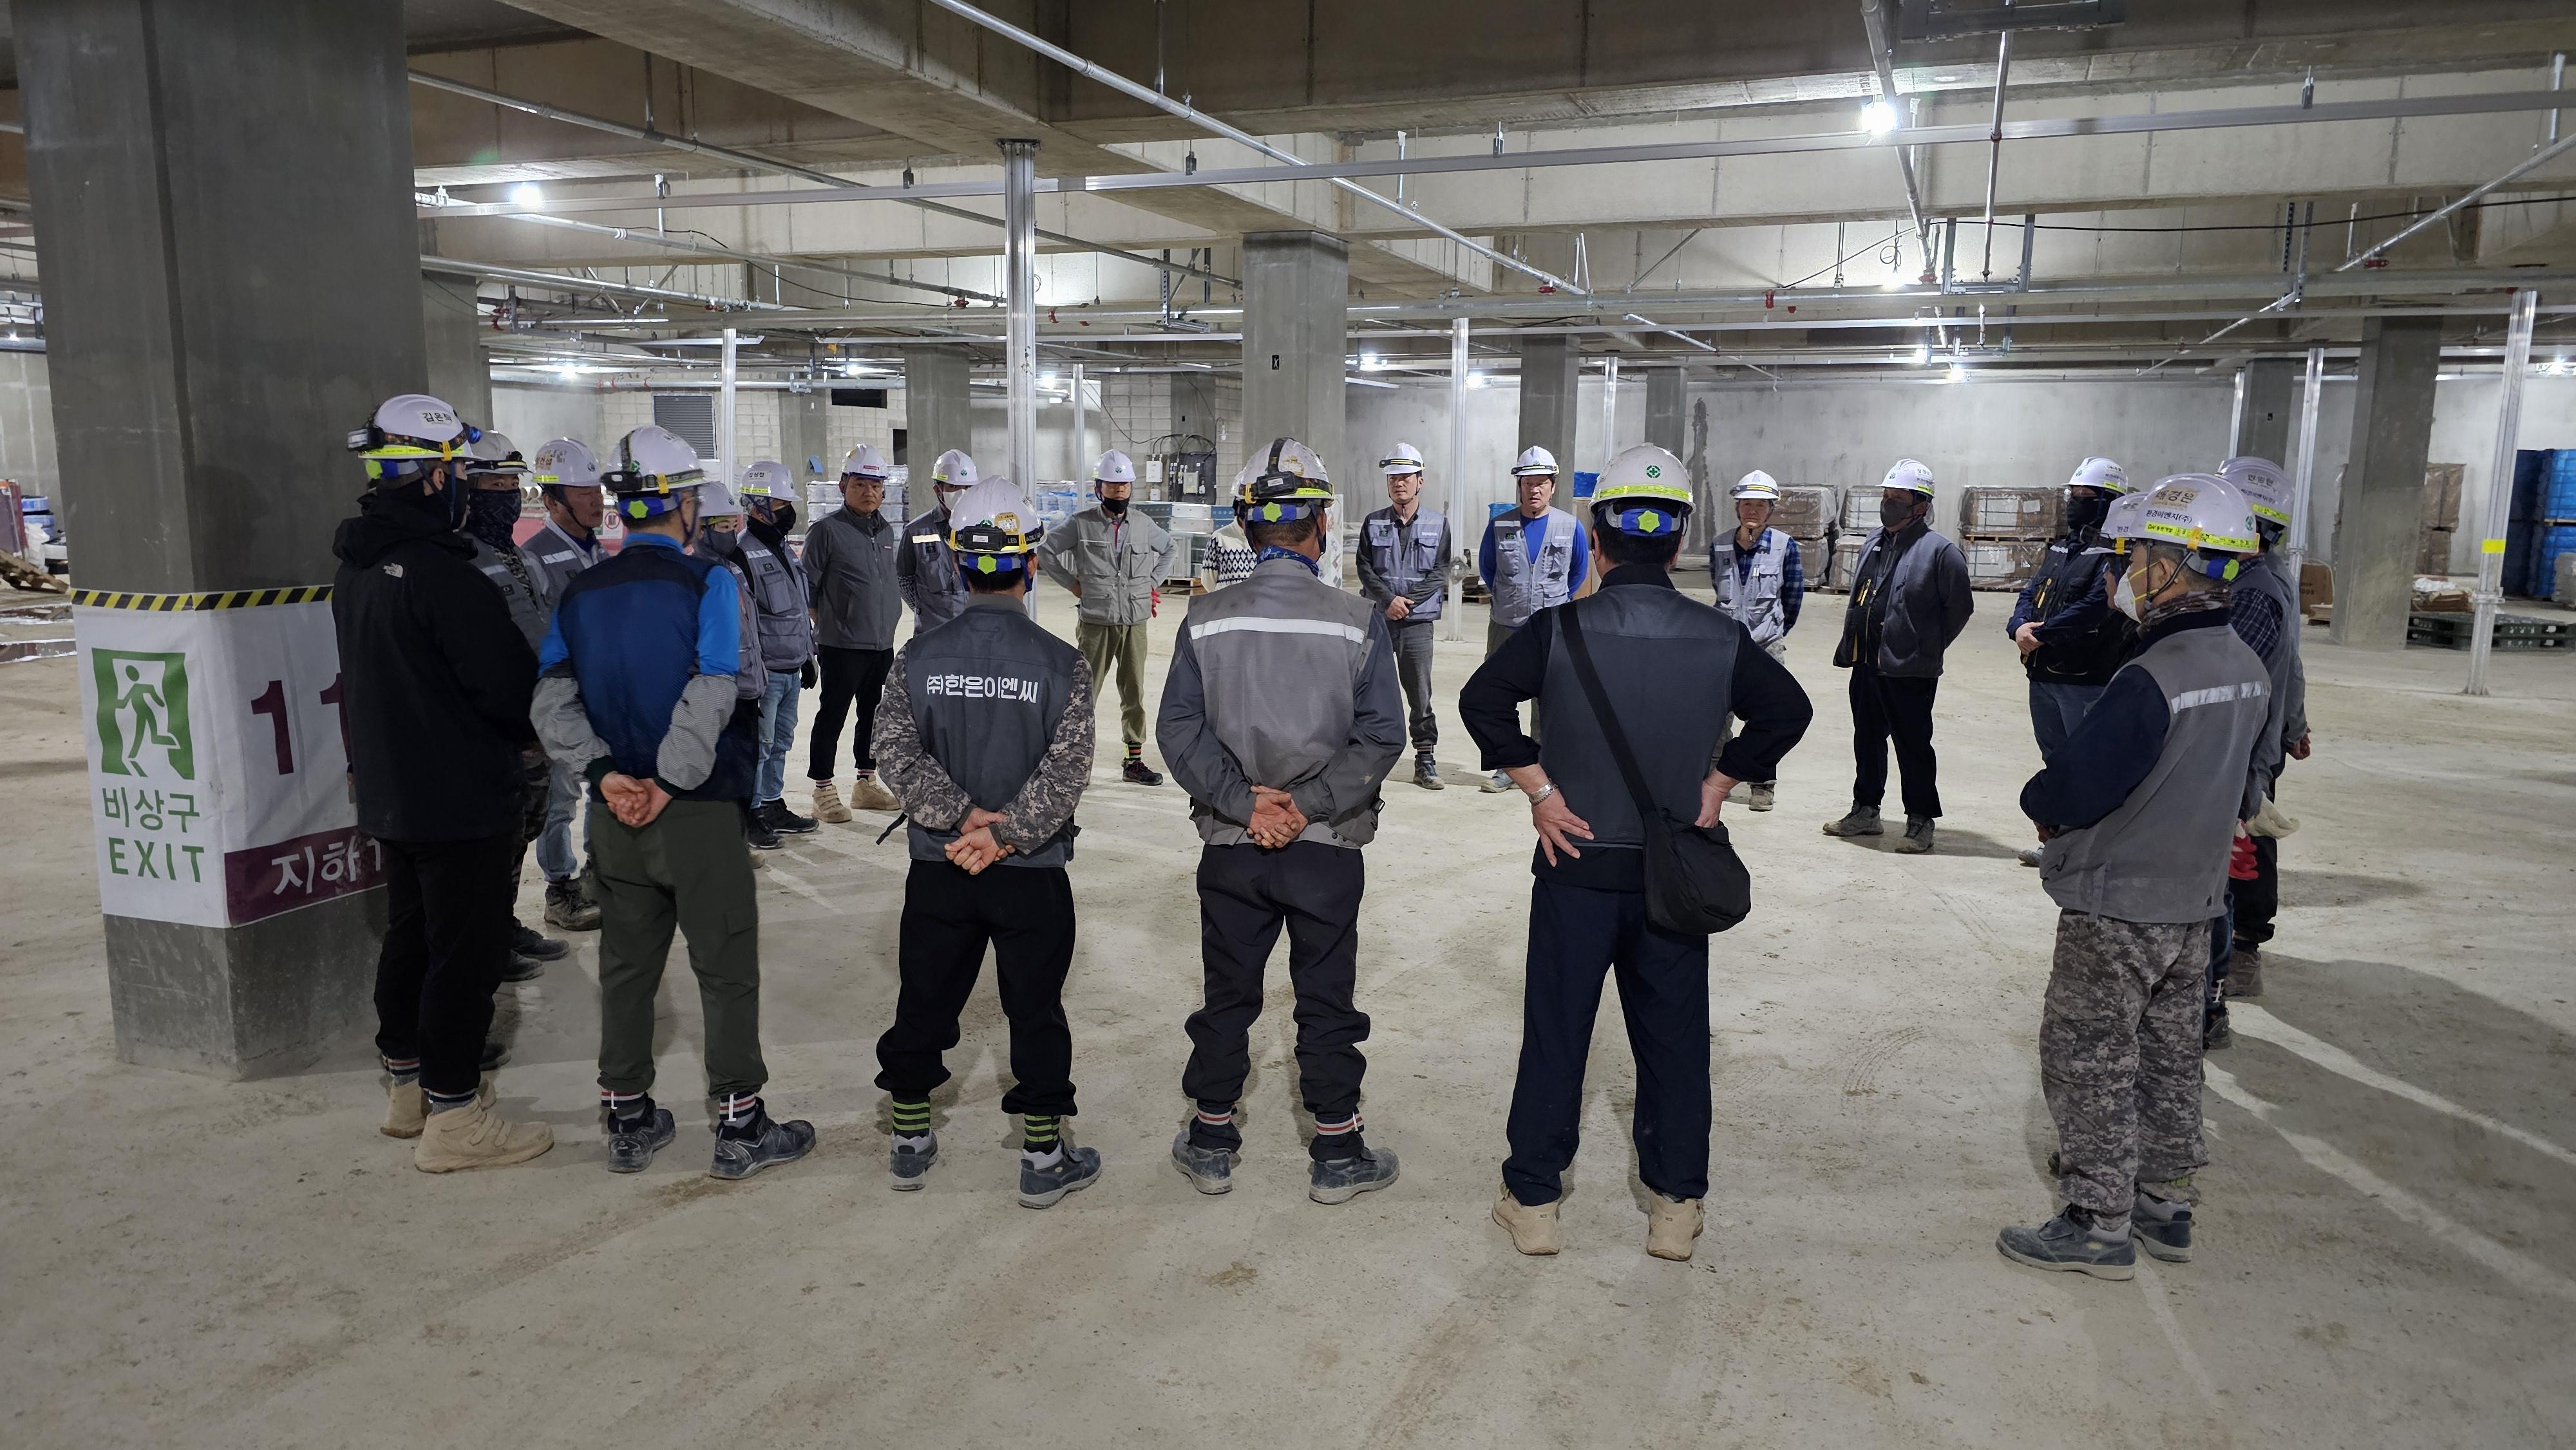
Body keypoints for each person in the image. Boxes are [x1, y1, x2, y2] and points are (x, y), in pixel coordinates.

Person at [1463, 444, 1813, 1261]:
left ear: (1597, 537)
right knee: (1674, 1039)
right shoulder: (1720, 636)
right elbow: (1786, 712)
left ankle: (1535, 1202)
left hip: (1575, 867)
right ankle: (1674, 1208)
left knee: (1557, 1034)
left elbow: (1482, 701)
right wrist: (1720, 780)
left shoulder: (1557, 629)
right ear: (1680, 539)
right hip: (1673, 876)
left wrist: (1540, 790)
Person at [2000, 474, 2275, 1280]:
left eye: (2139, 555)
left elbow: (2077, 785)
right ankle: (2164, 1202)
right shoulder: (2244, 667)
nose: (2125, 571)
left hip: (2120, 902)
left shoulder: (2154, 675)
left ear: (2173, 564)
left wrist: (2040, 803)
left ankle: (2095, 1220)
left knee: (2087, 1053)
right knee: (2168, 1054)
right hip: (2193, 901)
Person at [533, 425, 815, 1180]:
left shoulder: (582, 590)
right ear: (684, 504)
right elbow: (717, 684)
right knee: (724, 962)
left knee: (627, 964)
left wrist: (605, 775)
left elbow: (553, 695)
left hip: (613, 814)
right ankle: (741, 1125)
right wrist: (665, 780)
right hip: (694, 807)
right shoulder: (707, 583)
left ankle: (628, 1117)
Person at [1159, 437, 1406, 1206]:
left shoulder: (1204, 619)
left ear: (1245, 524)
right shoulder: (1357, 620)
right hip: (1326, 849)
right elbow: (1381, 734)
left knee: (1227, 993)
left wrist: (1247, 804)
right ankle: (1337, 1151)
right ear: (1321, 523)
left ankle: (1210, 1140)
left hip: (1233, 846)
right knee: (1326, 995)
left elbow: (1178, 730)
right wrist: (1305, 805)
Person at [332, 393, 553, 1172]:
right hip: (461, 797)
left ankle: (409, 1088)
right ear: (435, 477)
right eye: (460, 470)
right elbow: (508, 690)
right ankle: (457, 1114)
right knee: (465, 955)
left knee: (411, 935)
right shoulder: (444, 576)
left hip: (393, 790)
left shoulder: (357, 567)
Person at [871, 476, 1105, 1209]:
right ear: (1030, 564)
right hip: (1032, 871)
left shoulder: (916, 658)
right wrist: (1004, 833)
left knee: (925, 998)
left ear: (956, 564)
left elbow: (893, 752)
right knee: (1035, 1007)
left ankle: (910, 1141)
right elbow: (1068, 771)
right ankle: (1042, 1156)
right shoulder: (1063, 663)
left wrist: (962, 818)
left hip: (940, 864)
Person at [457, 431, 567, 977]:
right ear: (468, 491)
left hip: (536, 718)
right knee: (495, 839)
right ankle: (486, 939)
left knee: (526, 826)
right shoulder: (461, 562)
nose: (505, 498)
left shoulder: (523, 557)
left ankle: (503, 922)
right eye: (492, 487)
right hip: (497, 728)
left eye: (511, 487)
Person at [1822, 458, 1972, 854]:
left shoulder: (1941, 553)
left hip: (1909, 668)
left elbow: (1959, 609)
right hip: (1866, 660)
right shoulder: (1874, 542)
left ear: (1920, 506)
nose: (1888, 504)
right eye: (1886, 496)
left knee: (1913, 745)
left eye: (1897, 498)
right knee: (1867, 739)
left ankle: (1921, 820)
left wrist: (1926, 647)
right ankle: (1866, 811)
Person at [2211, 455, 2311, 1010]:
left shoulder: (2257, 586)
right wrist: (2295, 724)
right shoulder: (2253, 574)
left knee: (2248, 837)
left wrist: (2286, 727)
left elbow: (2262, 669)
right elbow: (2292, 663)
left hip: (2245, 741)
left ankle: (2244, 948)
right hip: (2259, 734)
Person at [2005, 457, 2138, 867]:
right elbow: (2031, 591)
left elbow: (2097, 606)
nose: (2076, 502)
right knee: (2056, 761)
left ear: (2110, 502)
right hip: (2043, 675)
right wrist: (2017, 627)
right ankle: (2059, 843)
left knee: (2088, 765)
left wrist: (2041, 634)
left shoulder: (2117, 553)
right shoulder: (2063, 546)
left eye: (2087, 496)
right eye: (2073, 495)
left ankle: (2091, 850)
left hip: (2085, 679)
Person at [1038, 448, 1175, 786]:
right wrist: (1072, 584)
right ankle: (1074, 760)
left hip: (1134, 622)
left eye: (1124, 485)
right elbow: (1045, 551)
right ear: (1099, 488)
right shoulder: (1081, 524)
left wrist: (1151, 583)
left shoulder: (1143, 524)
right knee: (1084, 694)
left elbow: (1170, 549)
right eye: (1112, 485)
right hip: (1096, 622)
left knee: (1134, 693)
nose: (1119, 490)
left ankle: (1134, 761)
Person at [522, 437, 607, 930]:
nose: (597, 500)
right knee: (560, 801)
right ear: (552, 500)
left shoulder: (599, 554)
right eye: (584, 492)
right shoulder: (534, 558)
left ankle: (600, 874)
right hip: (565, 702)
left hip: (604, 699)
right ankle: (560, 889)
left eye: (598, 490)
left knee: (604, 790)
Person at [802, 444, 906, 820]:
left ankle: (865, 782)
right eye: (860, 484)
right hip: (841, 644)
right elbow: (807, 589)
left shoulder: (887, 531)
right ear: (844, 485)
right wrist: (827, 625)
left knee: (874, 715)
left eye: (876, 486)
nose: (869, 493)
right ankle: (823, 788)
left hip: (881, 643)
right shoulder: (826, 531)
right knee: (833, 715)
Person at [1475, 444, 1588, 791]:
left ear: (1552, 486)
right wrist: (1513, 598)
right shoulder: (1500, 526)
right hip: (1506, 625)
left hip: (1551, 627)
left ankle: (1544, 765)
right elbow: (1488, 568)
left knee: (1549, 697)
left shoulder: (1570, 526)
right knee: (1499, 697)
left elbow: (1577, 573)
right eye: (1528, 483)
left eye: (1541, 483)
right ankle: (1507, 766)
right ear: (1520, 486)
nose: (1534, 489)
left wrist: (1551, 601)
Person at [1356, 441, 1455, 791]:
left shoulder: (1438, 524)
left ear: (1420, 481)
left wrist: (1407, 602)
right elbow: (1365, 568)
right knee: (1371, 690)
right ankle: (1367, 758)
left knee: (1419, 694)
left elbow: (1440, 569)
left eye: (1406, 477)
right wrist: (1389, 601)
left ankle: (1425, 760)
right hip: (1380, 620)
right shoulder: (1373, 522)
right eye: (1393, 478)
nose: (1399, 483)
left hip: (1417, 623)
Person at [1706, 469, 1806, 812]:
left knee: (1767, 716)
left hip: (1766, 645)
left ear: (1771, 509)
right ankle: (1714, 775)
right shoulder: (1720, 545)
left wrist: (1774, 631)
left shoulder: (1784, 546)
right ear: (1737, 507)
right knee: (1717, 714)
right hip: (1725, 644)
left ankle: (1762, 784)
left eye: (1760, 505)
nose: (1753, 510)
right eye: (1747, 504)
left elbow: (1793, 597)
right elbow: (1719, 588)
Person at [691, 478, 782, 851]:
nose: (732, 533)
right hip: (718, 690)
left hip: (747, 686)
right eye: (723, 526)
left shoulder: (733, 568)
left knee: (745, 764)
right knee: (720, 769)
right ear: (700, 528)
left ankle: (741, 832)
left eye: (734, 525)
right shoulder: (696, 575)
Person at [732, 460, 821, 840]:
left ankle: (772, 803)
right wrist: (754, 675)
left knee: (781, 743)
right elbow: (748, 623)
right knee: (761, 746)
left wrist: (808, 656)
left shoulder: (785, 549)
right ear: (758, 507)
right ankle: (752, 814)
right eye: (782, 505)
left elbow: (798, 609)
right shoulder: (742, 554)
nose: (789, 512)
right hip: (766, 673)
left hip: (791, 668)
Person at [898, 447, 978, 636]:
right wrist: (927, 609)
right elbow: (904, 580)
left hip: (972, 633)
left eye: (968, 488)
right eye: (953, 487)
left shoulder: (983, 530)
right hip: (932, 633)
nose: (962, 494)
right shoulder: (915, 531)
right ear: (938, 490)